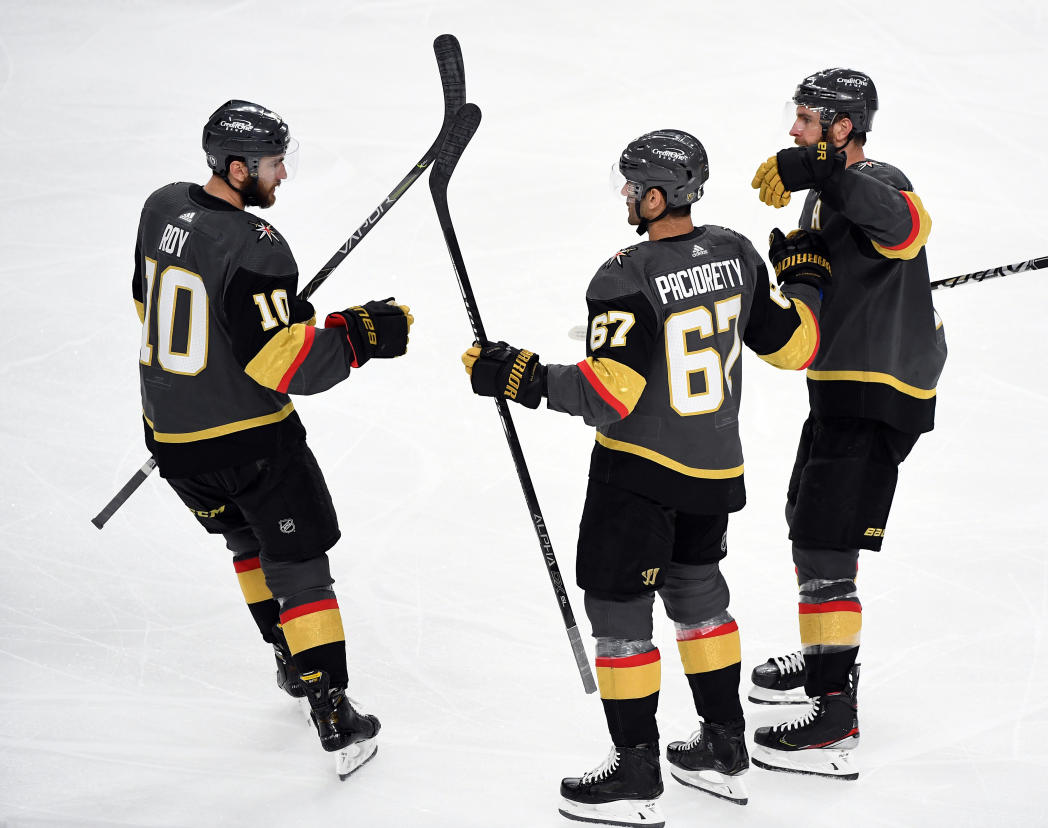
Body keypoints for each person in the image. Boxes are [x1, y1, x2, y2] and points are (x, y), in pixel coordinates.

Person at [462, 130, 824, 825]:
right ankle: (723, 746)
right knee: (698, 595)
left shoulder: (623, 274)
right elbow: (798, 346)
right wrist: (806, 279)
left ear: (656, 196)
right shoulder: (737, 253)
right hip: (714, 468)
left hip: (640, 472)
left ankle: (635, 773)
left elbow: (609, 395)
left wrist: (522, 375)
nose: (627, 197)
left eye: (633, 187)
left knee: (620, 612)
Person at [132, 99, 413, 780]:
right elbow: (285, 366)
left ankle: (291, 659)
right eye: (272, 163)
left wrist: (273, 315)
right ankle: (333, 709)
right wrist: (359, 336)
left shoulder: (161, 207)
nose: (283, 174)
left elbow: (150, 303)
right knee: (299, 562)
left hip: (174, 443)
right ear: (235, 168)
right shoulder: (257, 246)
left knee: (246, 543)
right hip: (251, 443)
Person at [745, 68, 948, 779]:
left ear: (840, 127)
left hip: (875, 391)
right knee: (806, 518)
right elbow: (830, 291)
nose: (793, 132)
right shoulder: (822, 198)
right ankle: (822, 656)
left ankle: (833, 714)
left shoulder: (876, 176)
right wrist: (799, 272)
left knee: (827, 544)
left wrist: (822, 169)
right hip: (841, 385)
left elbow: (908, 225)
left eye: (806, 121)